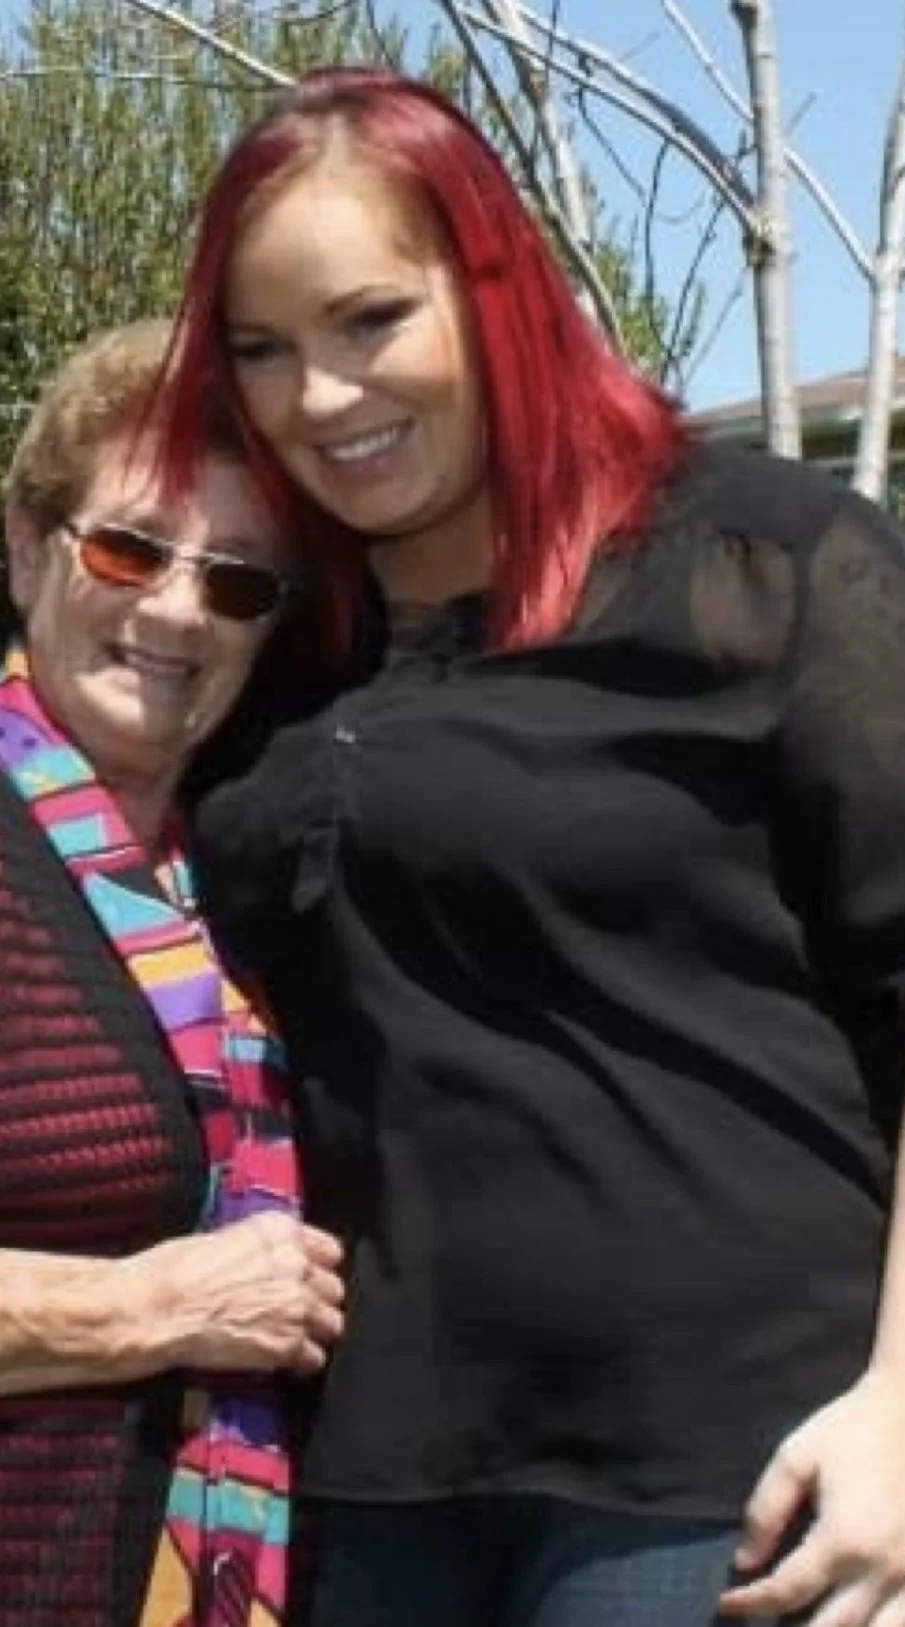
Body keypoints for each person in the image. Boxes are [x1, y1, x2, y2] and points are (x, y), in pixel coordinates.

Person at [152, 66, 905, 1627]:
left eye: (371, 321)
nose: (324, 397)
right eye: (264, 351)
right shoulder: (273, 646)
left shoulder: (767, 568)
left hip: (739, 1469)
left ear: (497, 291)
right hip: (374, 1483)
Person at [0, 318, 345, 1627]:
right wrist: (144, 1304)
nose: (177, 608)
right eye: (128, 547)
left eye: (238, 581)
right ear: (30, 547)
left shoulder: (254, 878)